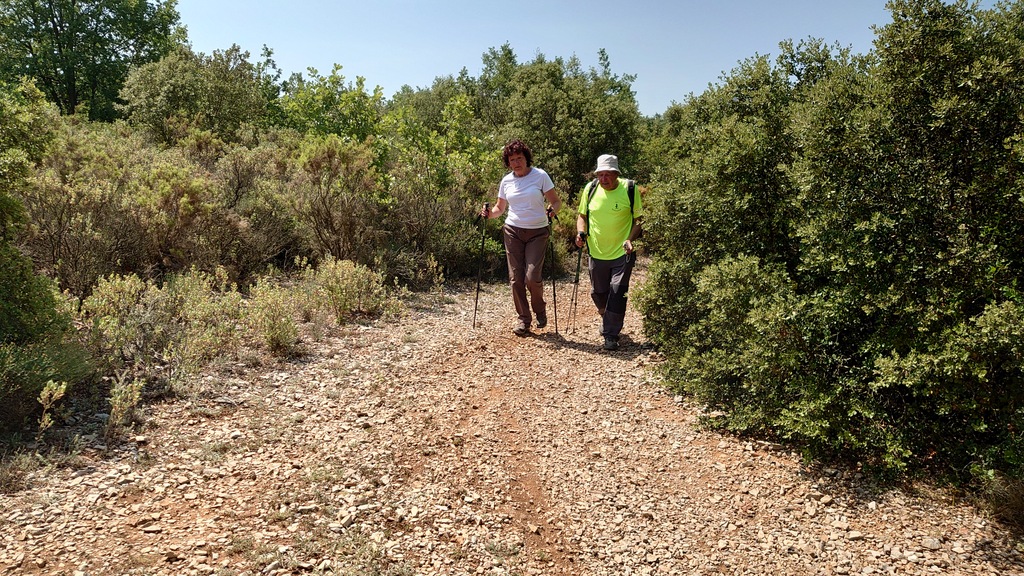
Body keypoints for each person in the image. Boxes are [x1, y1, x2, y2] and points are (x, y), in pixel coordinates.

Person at [480, 139, 562, 336]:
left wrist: (552, 210)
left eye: (519, 158)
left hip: (537, 231)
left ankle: (540, 310)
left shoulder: (540, 176)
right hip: (513, 230)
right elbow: (500, 209)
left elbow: (556, 202)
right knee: (516, 279)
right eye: (512, 160)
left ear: (526, 158)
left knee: (532, 277)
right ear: (508, 163)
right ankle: (524, 320)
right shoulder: (506, 181)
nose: (516, 162)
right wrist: (489, 214)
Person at [574, 154, 643, 351]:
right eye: (600, 174)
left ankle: (611, 335)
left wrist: (630, 239)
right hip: (596, 252)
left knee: (618, 291)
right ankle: (606, 315)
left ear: (616, 174)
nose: (603, 179)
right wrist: (580, 232)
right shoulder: (591, 188)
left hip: (622, 253)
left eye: (607, 175)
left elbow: (639, 220)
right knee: (599, 293)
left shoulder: (629, 188)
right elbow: (582, 216)